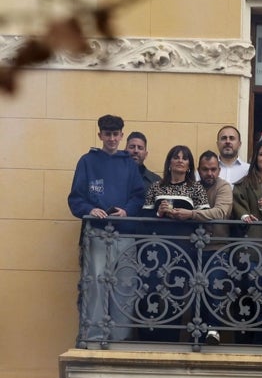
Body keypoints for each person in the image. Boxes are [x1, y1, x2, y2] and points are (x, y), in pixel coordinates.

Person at [68, 114, 145, 342]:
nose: (112, 139)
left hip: (125, 234)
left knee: (125, 286)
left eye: (115, 134)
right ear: (100, 134)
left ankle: (119, 339)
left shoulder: (129, 164)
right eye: (107, 134)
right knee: (97, 283)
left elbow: (138, 196)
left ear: (121, 135)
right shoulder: (87, 162)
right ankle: (94, 337)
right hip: (98, 234)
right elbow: (75, 198)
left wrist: (127, 211)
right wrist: (90, 210)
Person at [166, 150, 233, 222]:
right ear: (198, 171)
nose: (209, 173)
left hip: (217, 233)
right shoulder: (193, 187)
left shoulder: (224, 187)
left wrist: (192, 214)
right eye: (205, 169)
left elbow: (220, 212)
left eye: (213, 169)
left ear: (219, 171)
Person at [143, 145, 209, 216]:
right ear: (169, 163)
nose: (180, 161)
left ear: (189, 166)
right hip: (159, 227)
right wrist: (159, 213)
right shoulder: (156, 187)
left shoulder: (196, 188)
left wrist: (189, 215)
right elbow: (144, 215)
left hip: (185, 227)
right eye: (176, 158)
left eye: (184, 158)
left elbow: (205, 215)